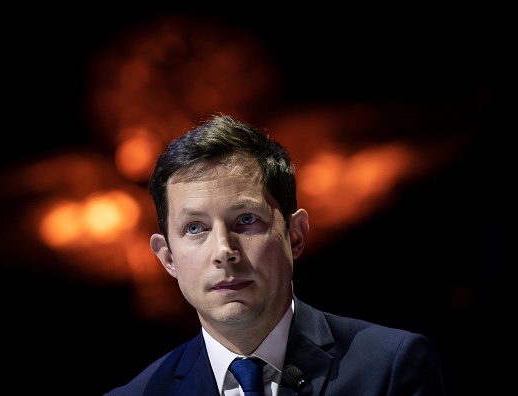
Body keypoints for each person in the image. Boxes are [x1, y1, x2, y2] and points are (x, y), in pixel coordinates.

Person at [104, 114, 446, 395]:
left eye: (246, 220)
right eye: (195, 228)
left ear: (294, 235)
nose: (224, 251)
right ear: (168, 258)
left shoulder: (391, 367)